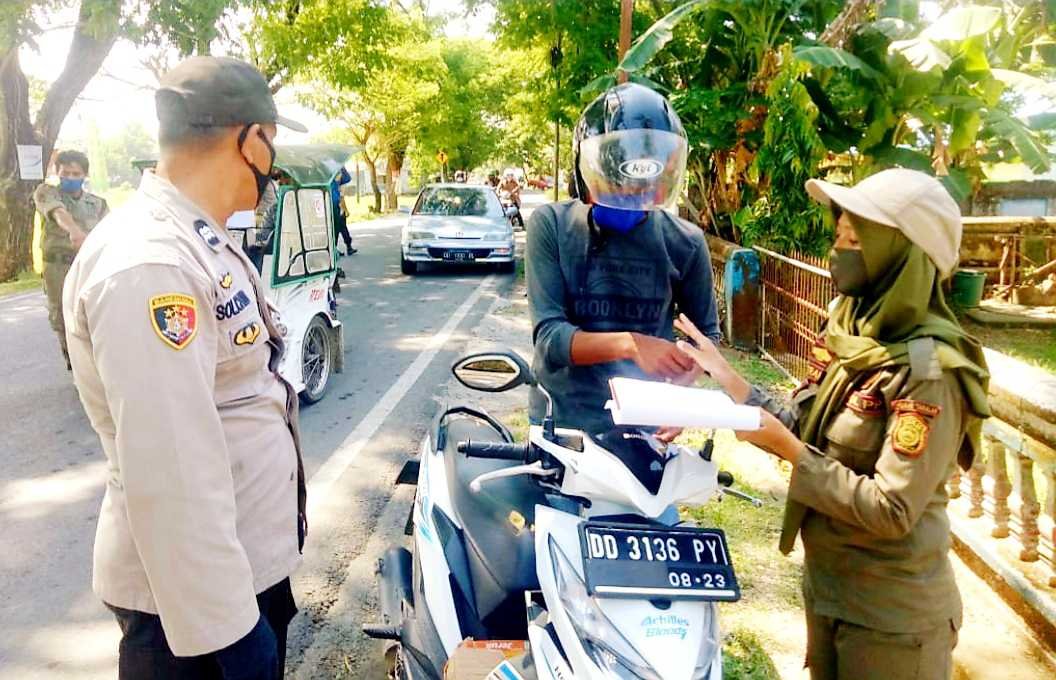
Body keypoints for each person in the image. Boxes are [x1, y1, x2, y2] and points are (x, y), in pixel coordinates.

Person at [676, 168, 991, 680]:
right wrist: (730, 380)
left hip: (891, 621)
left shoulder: (928, 372)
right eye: (839, 236)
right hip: (831, 593)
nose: (836, 252)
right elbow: (805, 426)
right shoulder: (855, 336)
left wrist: (790, 451)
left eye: (855, 241)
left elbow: (891, 509)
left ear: (900, 255)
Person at [62, 56, 310, 680]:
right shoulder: (152, 262)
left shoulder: (198, 238)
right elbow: (171, 470)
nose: (273, 163)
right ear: (250, 140)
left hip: (235, 579)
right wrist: (233, 634)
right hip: (192, 621)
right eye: (272, 142)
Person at [526, 82, 722, 440]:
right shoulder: (551, 226)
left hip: (643, 425)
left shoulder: (686, 242)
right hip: (563, 423)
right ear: (586, 173)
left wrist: (679, 395)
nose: (633, 192)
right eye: (618, 181)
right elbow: (550, 340)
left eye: (645, 182)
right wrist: (632, 344)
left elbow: (705, 337)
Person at [32, 149, 109, 369]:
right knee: (62, 314)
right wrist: (74, 231)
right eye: (65, 173)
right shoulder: (47, 192)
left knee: (95, 311)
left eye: (76, 174)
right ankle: (74, 363)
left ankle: (98, 361)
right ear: (58, 173)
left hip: (89, 264)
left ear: (85, 175)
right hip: (58, 265)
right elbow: (58, 212)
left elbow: (109, 230)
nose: (70, 178)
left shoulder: (98, 203)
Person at [331, 167, 356, 256]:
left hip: (333, 203)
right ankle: (337, 249)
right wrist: (344, 208)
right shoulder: (338, 173)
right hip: (335, 204)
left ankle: (344, 247)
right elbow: (341, 195)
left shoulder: (335, 178)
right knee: (338, 227)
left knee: (340, 226)